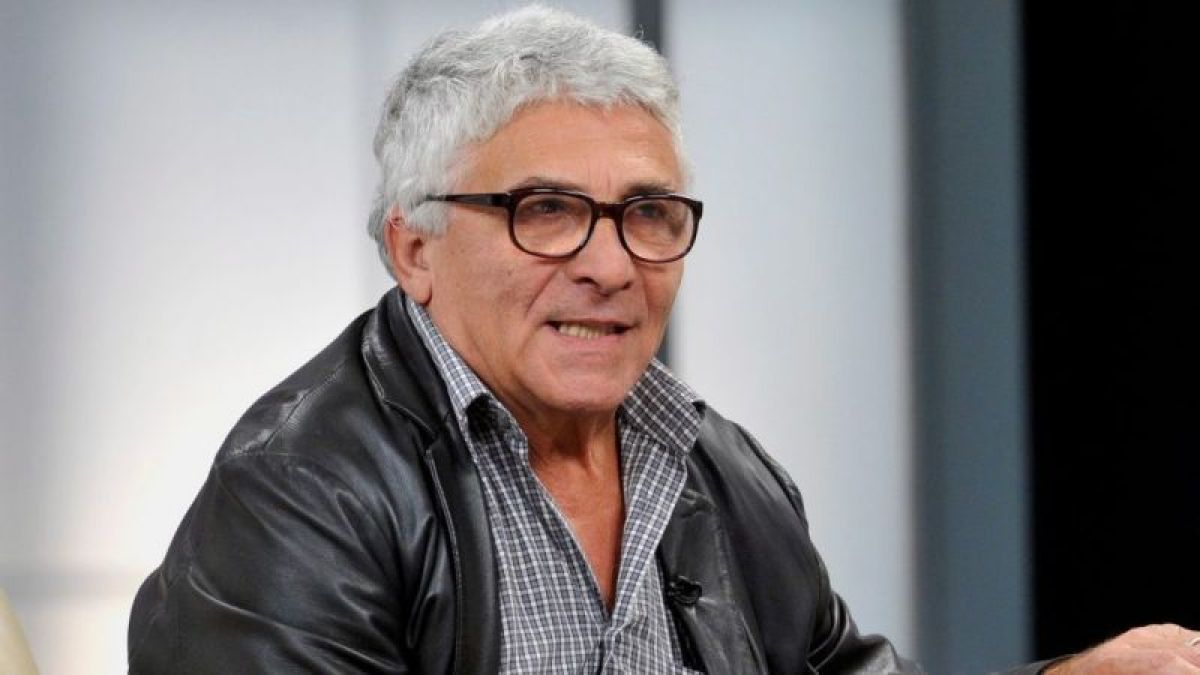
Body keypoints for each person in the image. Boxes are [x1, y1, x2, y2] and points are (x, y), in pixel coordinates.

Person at [128, 6, 1200, 674]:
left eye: (647, 212)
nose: (610, 264)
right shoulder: (298, 496)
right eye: (547, 209)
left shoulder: (713, 463)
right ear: (415, 249)